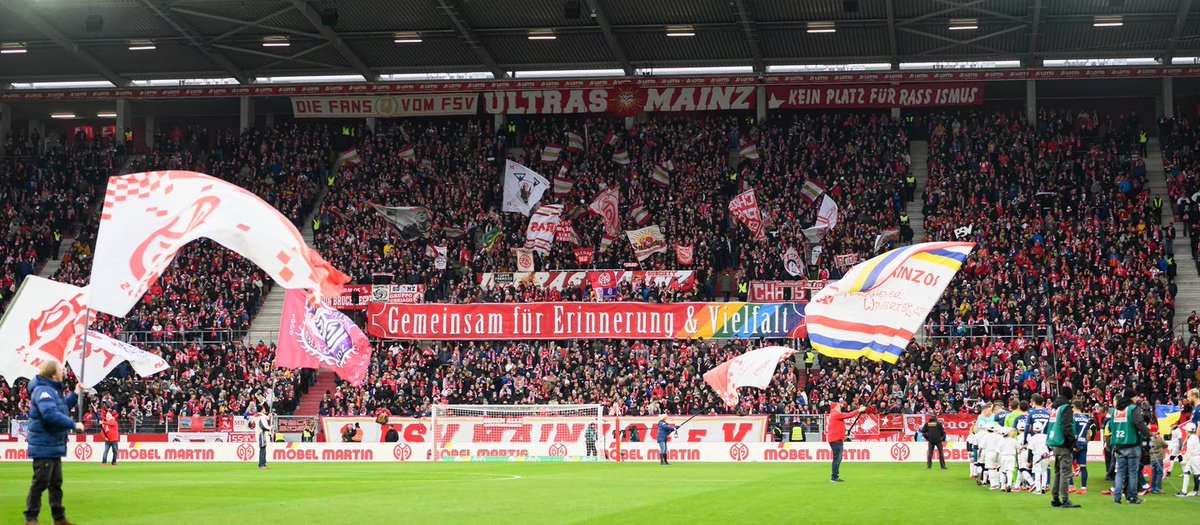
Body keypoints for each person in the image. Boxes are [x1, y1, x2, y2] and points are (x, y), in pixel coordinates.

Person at [24, 359, 84, 525]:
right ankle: (31, 518)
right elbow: (50, 414)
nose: (63, 371)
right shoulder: (43, 390)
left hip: (53, 444)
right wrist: (73, 424)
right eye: (60, 369)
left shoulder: (51, 391)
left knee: (56, 483)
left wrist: (75, 393)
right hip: (44, 444)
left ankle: (58, 518)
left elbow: (62, 407)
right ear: (52, 373)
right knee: (41, 482)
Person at [1109, 391, 1151, 504]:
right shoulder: (1132, 408)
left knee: (1120, 472)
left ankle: (1117, 498)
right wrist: (1149, 435)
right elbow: (1139, 423)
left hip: (1119, 444)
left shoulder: (1115, 411)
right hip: (1132, 444)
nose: (1137, 398)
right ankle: (1132, 497)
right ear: (1131, 398)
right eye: (1136, 396)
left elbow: (1111, 427)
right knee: (1133, 472)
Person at [1045, 388, 1079, 508]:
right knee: (1065, 472)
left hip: (1054, 442)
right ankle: (1065, 499)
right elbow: (1067, 426)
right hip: (1063, 443)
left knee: (1058, 472)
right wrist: (1073, 443)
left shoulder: (1055, 408)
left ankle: (1055, 498)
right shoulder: (1065, 408)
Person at [826, 402, 865, 483]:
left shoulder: (834, 415)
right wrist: (858, 410)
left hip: (835, 439)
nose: (840, 407)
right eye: (838, 406)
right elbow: (848, 415)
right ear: (835, 407)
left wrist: (844, 435)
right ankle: (834, 477)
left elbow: (837, 428)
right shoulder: (836, 414)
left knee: (837, 458)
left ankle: (835, 476)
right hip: (836, 440)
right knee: (837, 459)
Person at [1070, 400, 1093, 495]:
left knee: (1067, 466)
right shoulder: (1086, 418)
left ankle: (1071, 486)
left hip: (1074, 443)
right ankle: (1083, 488)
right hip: (1083, 443)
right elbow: (1089, 433)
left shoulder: (1072, 417)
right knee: (1083, 466)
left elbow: (1070, 431)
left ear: (1074, 407)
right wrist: (1085, 441)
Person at [1179, 423, 1200, 497]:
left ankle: (1195, 490)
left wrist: (1184, 461)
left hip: (1194, 458)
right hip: (1193, 457)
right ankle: (1184, 491)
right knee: (1187, 473)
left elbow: (1189, 451)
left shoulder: (1192, 439)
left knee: (1197, 474)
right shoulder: (1194, 437)